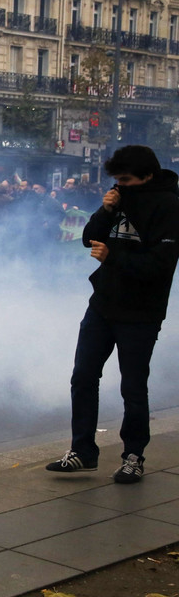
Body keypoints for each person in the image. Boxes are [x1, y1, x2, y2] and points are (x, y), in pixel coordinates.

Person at [47, 146, 179, 483]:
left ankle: (133, 455)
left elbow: (159, 266)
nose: (119, 186)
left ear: (146, 176)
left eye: (125, 180)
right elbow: (89, 238)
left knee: (133, 387)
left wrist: (113, 258)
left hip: (141, 312)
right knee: (83, 377)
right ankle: (82, 451)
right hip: (103, 303)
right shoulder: (117, 198)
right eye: (116, 181)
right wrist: (106, 211)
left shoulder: (169, 207)